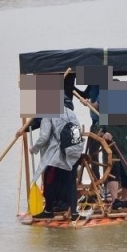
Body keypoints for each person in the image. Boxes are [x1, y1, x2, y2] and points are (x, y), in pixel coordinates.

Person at [27, 73, 85, 219]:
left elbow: (44, 136)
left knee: (49, 182)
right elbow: (77, 133)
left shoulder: (48, 112)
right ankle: (74, 212)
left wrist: (34, 149)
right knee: (70, 182)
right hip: (72, 154)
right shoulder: (71, 113)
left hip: (56, 157)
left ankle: (48, 210)